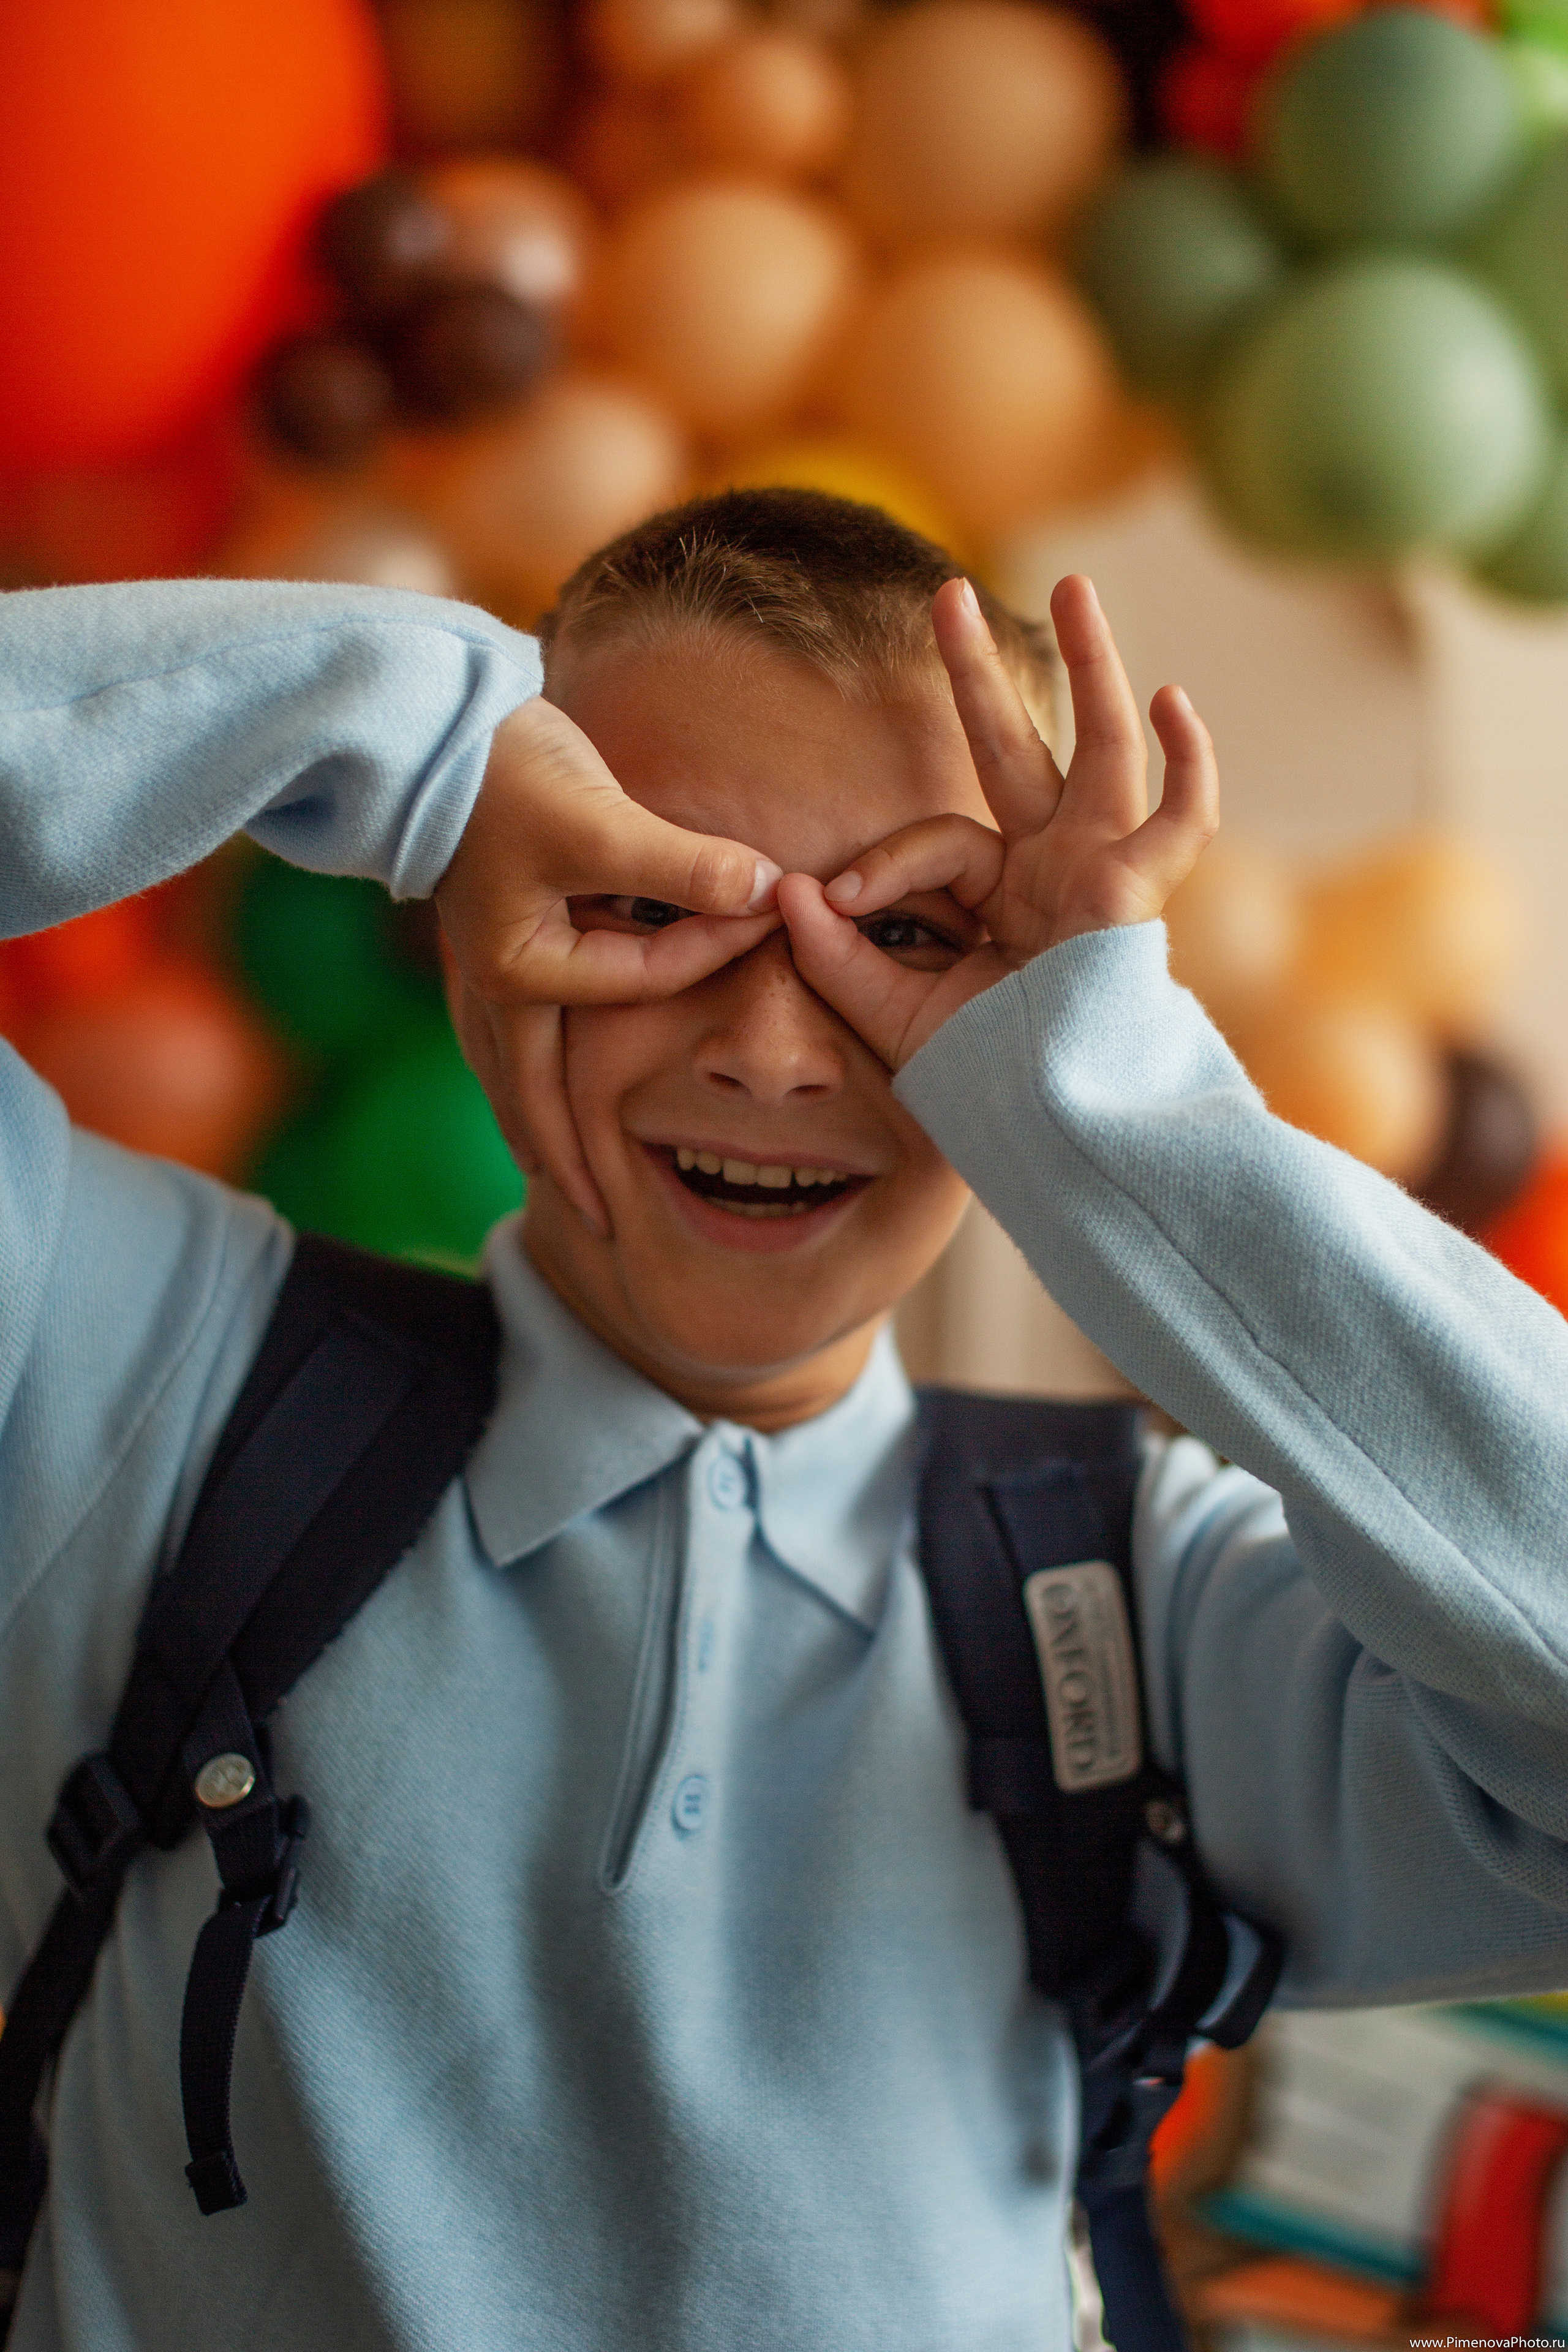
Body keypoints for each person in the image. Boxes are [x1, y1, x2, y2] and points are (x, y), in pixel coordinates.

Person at [2, 488, 1567, 2352]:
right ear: (479, 935)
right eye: (644, 903)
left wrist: (1100, 1092)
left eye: (912, 939)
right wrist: (403, 732)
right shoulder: (124, 1364)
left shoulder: (1135, 1605)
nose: (771, 1047)